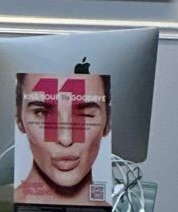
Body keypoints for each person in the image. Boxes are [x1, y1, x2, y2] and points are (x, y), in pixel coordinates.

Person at [14, 71, 111, 204]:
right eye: (42, 113)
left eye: (85, 114)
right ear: (19, 119)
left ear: (108, 121)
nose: (66, 139)